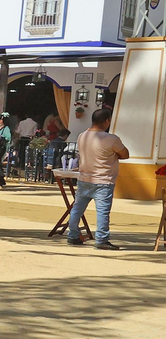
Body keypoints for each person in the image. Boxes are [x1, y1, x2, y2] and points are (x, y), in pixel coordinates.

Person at [70, 105, 128, 250]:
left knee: (77, 209)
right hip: (104, 180)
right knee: (102, 211)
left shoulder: (82, 136)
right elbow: (125, 154)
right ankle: (101, 239)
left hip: (84, 178)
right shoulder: (111, 139)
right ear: (107, 121)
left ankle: (73, 235)